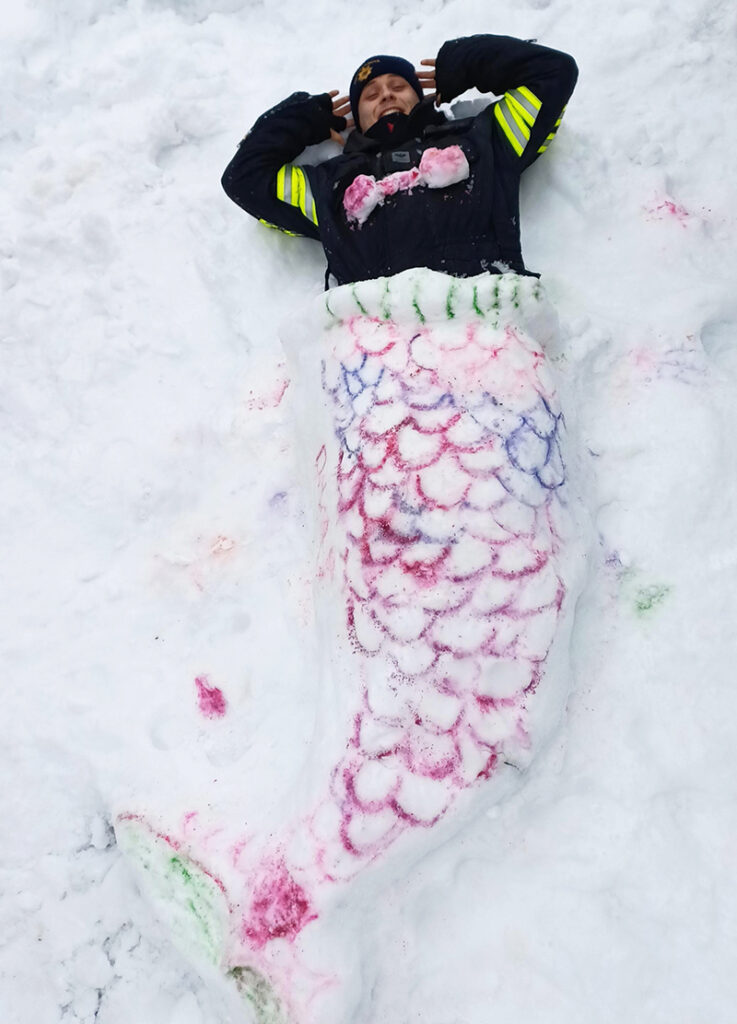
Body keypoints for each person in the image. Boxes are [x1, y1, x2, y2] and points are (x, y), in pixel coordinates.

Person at [222, 34, 577, 287]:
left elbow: (553, 73)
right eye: (371, 95)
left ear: (419, 96)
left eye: (398, 86)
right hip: (382, 348)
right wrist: (301, 120)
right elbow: (244, 178)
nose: (386, 95)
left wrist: (468, 63)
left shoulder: (486, 141)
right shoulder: (328, 186)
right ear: (357, 118)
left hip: (487, 326)